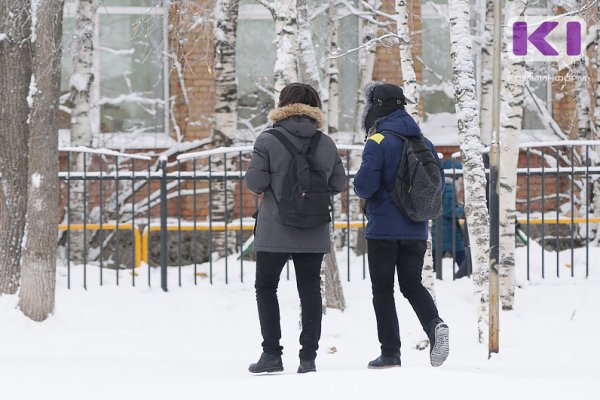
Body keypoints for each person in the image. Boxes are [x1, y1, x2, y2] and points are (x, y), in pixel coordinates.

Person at [244, 83, 346, 374]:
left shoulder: (268, 140)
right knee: (310, 290)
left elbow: (256, 183)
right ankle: (308, 358)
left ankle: (272, 354)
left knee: (266, 288)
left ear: (283, 104)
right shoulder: (325, 143)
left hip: (274, 228)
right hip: (312, 229)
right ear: (315, 107)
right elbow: (338, 184)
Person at [353, 82, 449, 368]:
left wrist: (361, 186)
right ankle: (434, 324)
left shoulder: (379, 140)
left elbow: (365, 185)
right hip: (417, 228)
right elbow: (436, 182)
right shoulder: (423, 141)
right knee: (412, 284)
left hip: (383, 230)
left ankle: (390, 352)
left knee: (382, 290)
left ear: (376, 106)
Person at [432, 159, 470, 279]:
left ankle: (437, 280)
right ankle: (463, 279)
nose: (462, 181)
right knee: (464, 261)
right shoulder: (449, 188)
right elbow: (448, 209)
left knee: (435, 263)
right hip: (449, 231)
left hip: (441, 230)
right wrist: (463, 211)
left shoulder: (443, 186)